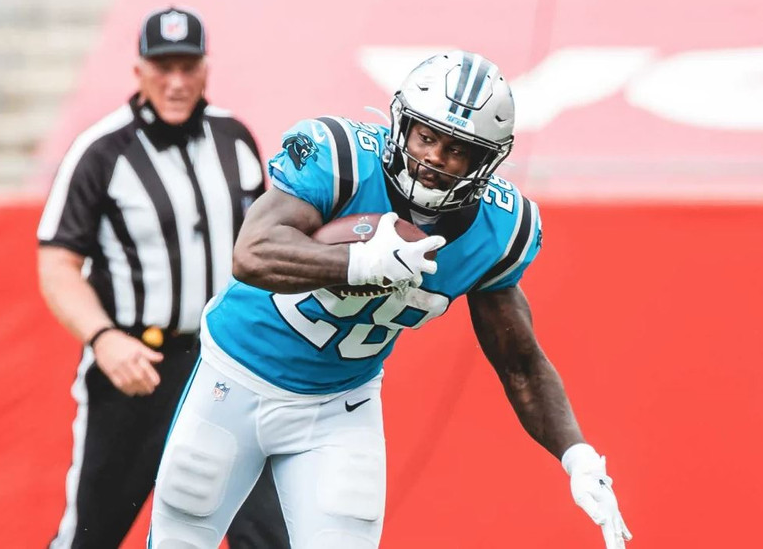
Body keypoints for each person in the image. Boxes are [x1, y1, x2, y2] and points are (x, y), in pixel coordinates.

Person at [149, 50, 633, 548]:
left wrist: (576, 455)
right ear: (403, 125)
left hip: (338, 405)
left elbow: (520, 363)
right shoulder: (342, 160)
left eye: (457, 149)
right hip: (236, 376)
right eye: (427, 137)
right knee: (180, 537)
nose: (435, 158)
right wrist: (359, 263)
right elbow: (251, 254)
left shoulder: (498, 230)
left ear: (485, 161)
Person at [36, 7, 289, 549]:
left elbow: (263, 246)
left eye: (187, 66)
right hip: (138, 367)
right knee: (91, 535)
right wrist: (104, 339)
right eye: (162, 67)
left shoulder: (235, 137)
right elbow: (57, 263)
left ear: (206, 69)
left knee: (266, 531)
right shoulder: (101, 151)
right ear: (139, 71)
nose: (176, 82)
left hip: (226, 365)